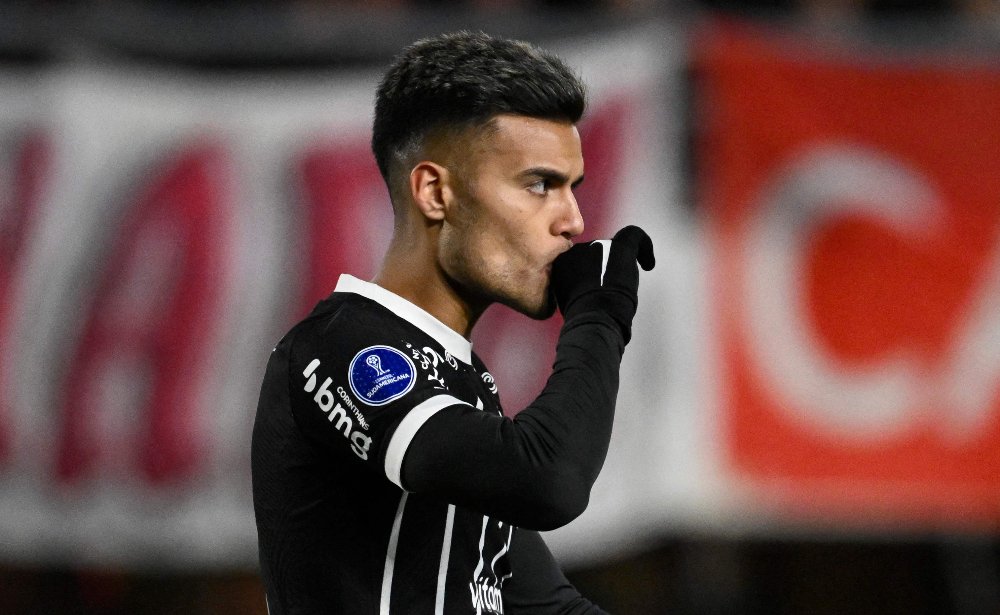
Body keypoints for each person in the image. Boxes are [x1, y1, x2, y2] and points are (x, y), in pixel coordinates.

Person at [251, 30, 654, 614]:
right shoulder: (343, 347)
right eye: (539, 184)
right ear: (436, 193)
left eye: (574, 188)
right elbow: (547, 480)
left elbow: (552, 607)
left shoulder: (461, 396)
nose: (574, 221)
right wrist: (600, 316)